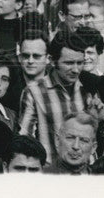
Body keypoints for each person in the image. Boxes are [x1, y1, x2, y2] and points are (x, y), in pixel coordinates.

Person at [19, 30, 86, 164]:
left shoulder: (87, 87)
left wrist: (102, 120)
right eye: (69, 63)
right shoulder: (33, 91)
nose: (76, 70)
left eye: (80, 63)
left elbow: (103, 132)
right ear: (53, 61)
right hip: (53, 174)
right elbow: (24, 141)